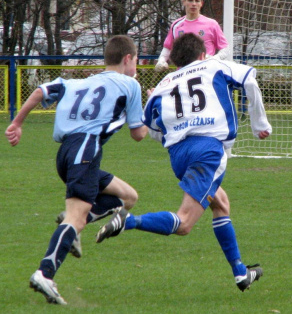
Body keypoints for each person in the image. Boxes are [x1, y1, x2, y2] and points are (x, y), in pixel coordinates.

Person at [96, 33, 272, 292]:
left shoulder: (165, 83)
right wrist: (260, 125)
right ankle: (129, 221)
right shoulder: (214, 65)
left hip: (179, 157)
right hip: (208, 151)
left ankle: (240, 272)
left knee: (220, 202)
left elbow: (152, 130)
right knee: (185, 223)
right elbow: (249, 79)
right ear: (202, 54)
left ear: (177, 61)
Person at [4, 35, 148, 305]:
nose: (136, 67)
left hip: (66, 154)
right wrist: (153, 115)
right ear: (128, 58)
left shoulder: (77, 82)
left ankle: (72, 229)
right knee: (76, 217)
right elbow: (138, 134)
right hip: (86, 148)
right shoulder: (130, 84)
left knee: (128, 197)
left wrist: (17, 124)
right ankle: (45, 272)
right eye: (136, 61)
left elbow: (39, 92)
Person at [154, 0, 229, 72]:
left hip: (206, 73)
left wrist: (214, 59)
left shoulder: (212, 24)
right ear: (184, 2)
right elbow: (167, 47)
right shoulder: (176, 25)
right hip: (183, 73)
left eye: (197, 1)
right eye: (190, 0)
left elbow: (225, 48)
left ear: (201, 3)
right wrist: (161, 61)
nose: (194, 4)